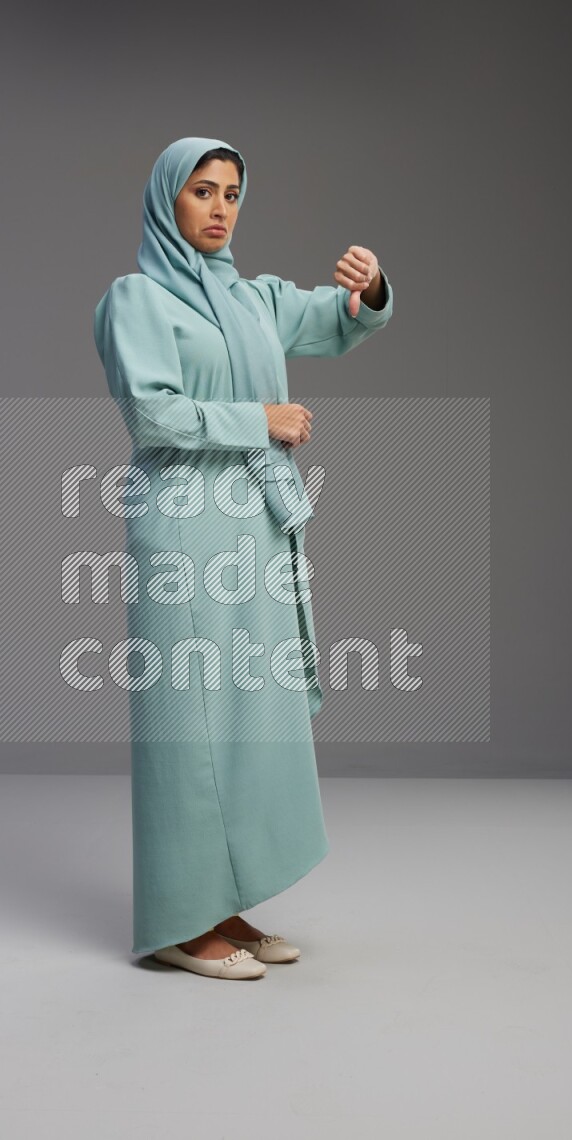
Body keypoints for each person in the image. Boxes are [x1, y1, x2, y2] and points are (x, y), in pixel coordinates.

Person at [93, 136, 394, 980]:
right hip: (184, 527)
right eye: (202, 192)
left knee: (244, 717)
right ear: (166, 201)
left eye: (232, 193)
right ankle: (179, 924)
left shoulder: (252, 297)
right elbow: (152, 415)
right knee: (189, 725)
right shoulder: (138, 300)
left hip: (255, 526)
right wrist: (258, 420)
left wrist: (366, 290)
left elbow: (335, 323)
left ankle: (222, 904)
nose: (220, 208)